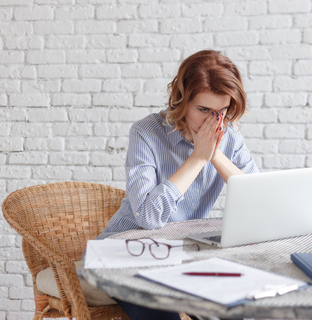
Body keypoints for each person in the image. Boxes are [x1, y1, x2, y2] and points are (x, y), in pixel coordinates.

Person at [97, 50, 259, 319]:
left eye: (221, 111)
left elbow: (258, 200)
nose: (213, 121)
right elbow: (149, 216)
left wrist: (214, 153)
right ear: (181, 101)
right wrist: (197, 158)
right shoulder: (146, 133)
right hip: (126, 251)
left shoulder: (228, 136)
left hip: (182, 252)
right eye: (203, 110)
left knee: (237, 307)